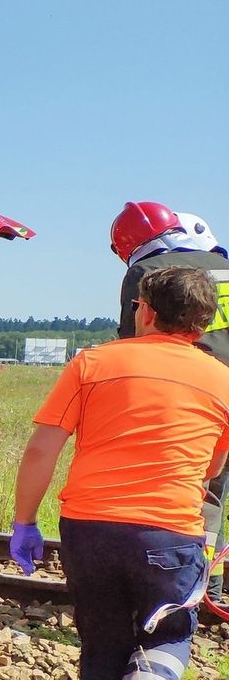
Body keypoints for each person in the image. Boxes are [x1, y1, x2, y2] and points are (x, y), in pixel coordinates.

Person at [12, 266, 229, 680]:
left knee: (102, 641)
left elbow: (43, 447)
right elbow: (214, 465)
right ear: (201, 324)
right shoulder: (223, 379)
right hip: (169, 532)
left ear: (148, 311)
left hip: (89, 528)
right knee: (171, 633)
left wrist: (24, 521)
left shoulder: (94, 362)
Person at [110, 202, 229, 603]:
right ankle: (211, 589)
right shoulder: (224, 265)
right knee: (217, 489)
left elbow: (135, 345)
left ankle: (192, 590)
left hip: (191, 397)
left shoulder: (146, 273)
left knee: (196, 492)